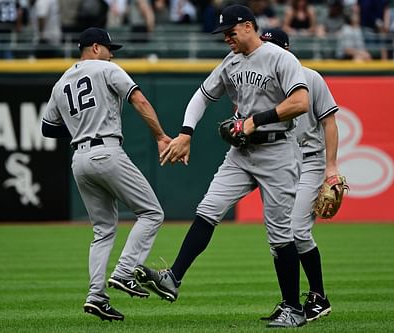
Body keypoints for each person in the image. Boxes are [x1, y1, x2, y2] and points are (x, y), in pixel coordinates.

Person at [134, 4, 310, 328]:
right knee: (208, 209)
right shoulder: (231, 62)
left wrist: (256, 120)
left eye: (230, 32)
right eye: (223, 34)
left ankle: (293, 308)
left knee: (280, 235)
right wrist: (186, 133)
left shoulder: (280, 58)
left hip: (278, 151)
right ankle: (173, 278)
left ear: (247, 26)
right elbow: (201, 96)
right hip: (242, 152)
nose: (226, 38)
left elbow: (300, 102)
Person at [41, 27, 171, 321]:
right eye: (110, 48)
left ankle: (96, 296)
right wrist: (161, 136)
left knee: (102, 231)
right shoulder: (106, 69)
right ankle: (124, 272)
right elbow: (139, 100)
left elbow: (47, 128)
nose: (112, 54)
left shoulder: (61, 82)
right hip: (106, 151)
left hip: (80, 160)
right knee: (151, 213)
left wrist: (79, 128)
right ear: (96, 47)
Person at [258, 27, 340, 323]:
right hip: (278, 162)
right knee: (278, 235)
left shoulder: (310, 77)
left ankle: (318, 296)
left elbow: (329, 123)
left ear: (286, 50)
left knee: (296, 230)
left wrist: (331, 167)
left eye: (273, 48)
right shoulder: (261, 83)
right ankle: (289, 302)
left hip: (309, 159)